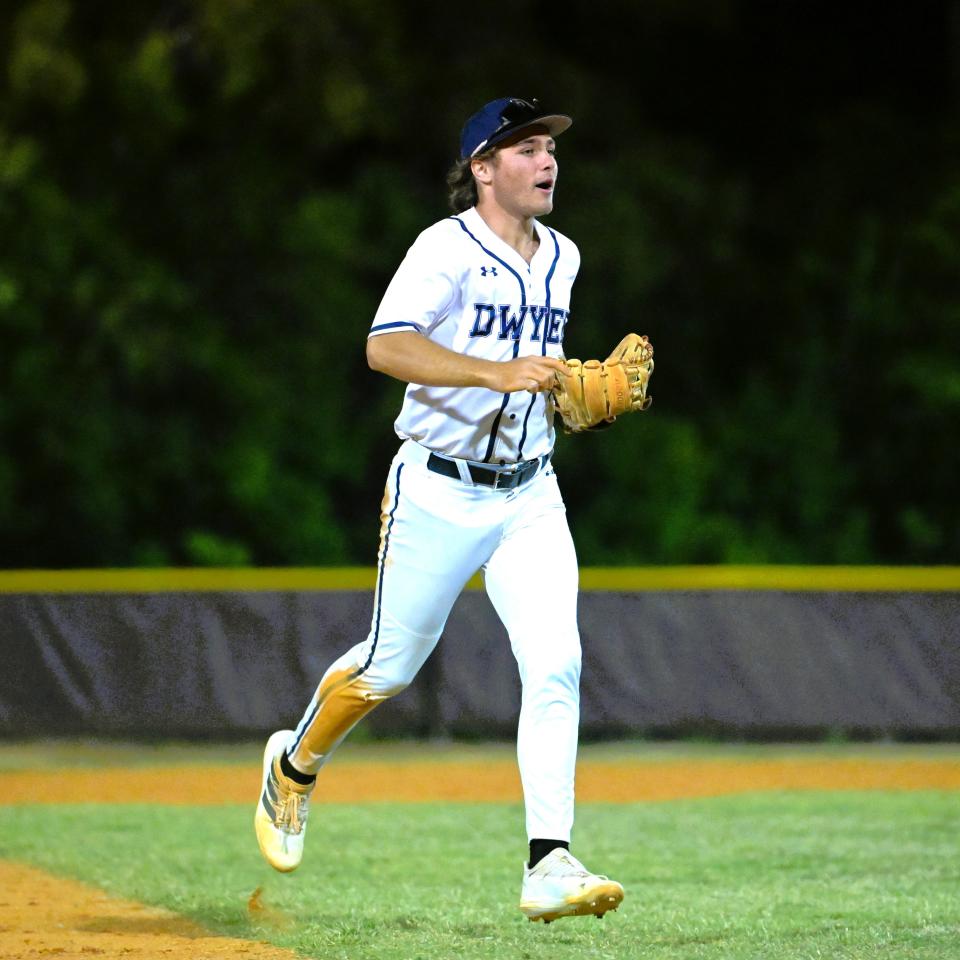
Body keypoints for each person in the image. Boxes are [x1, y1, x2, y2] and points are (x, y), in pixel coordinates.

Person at [255, 96, 625, 923]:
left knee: (556, 660)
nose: (547, 160)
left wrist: (570, 397)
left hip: (530, 490)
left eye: (550, 148)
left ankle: (549, 863)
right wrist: (498, 374)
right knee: (389, 666)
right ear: (483, 169)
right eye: (526, 148)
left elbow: (540, 372)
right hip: (437, 486)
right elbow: (385, 345)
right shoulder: (443, 247)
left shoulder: (563, 256)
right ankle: (294, 765)